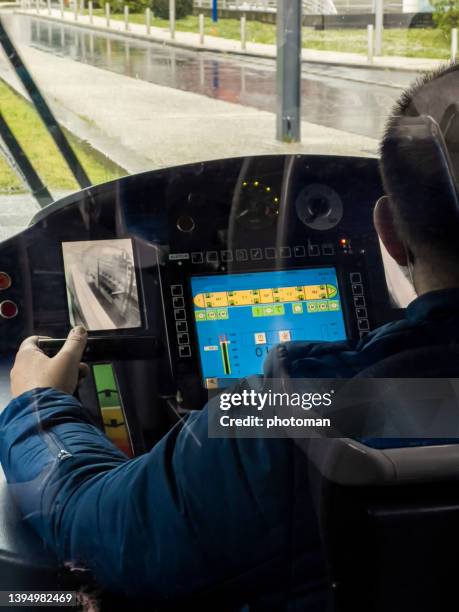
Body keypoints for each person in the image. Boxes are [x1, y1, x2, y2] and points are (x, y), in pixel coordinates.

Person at [2, 64, 459, 611]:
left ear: (388, 232)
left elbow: (91, 524)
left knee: (40, 599)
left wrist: (37, 405)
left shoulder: (297, 412)